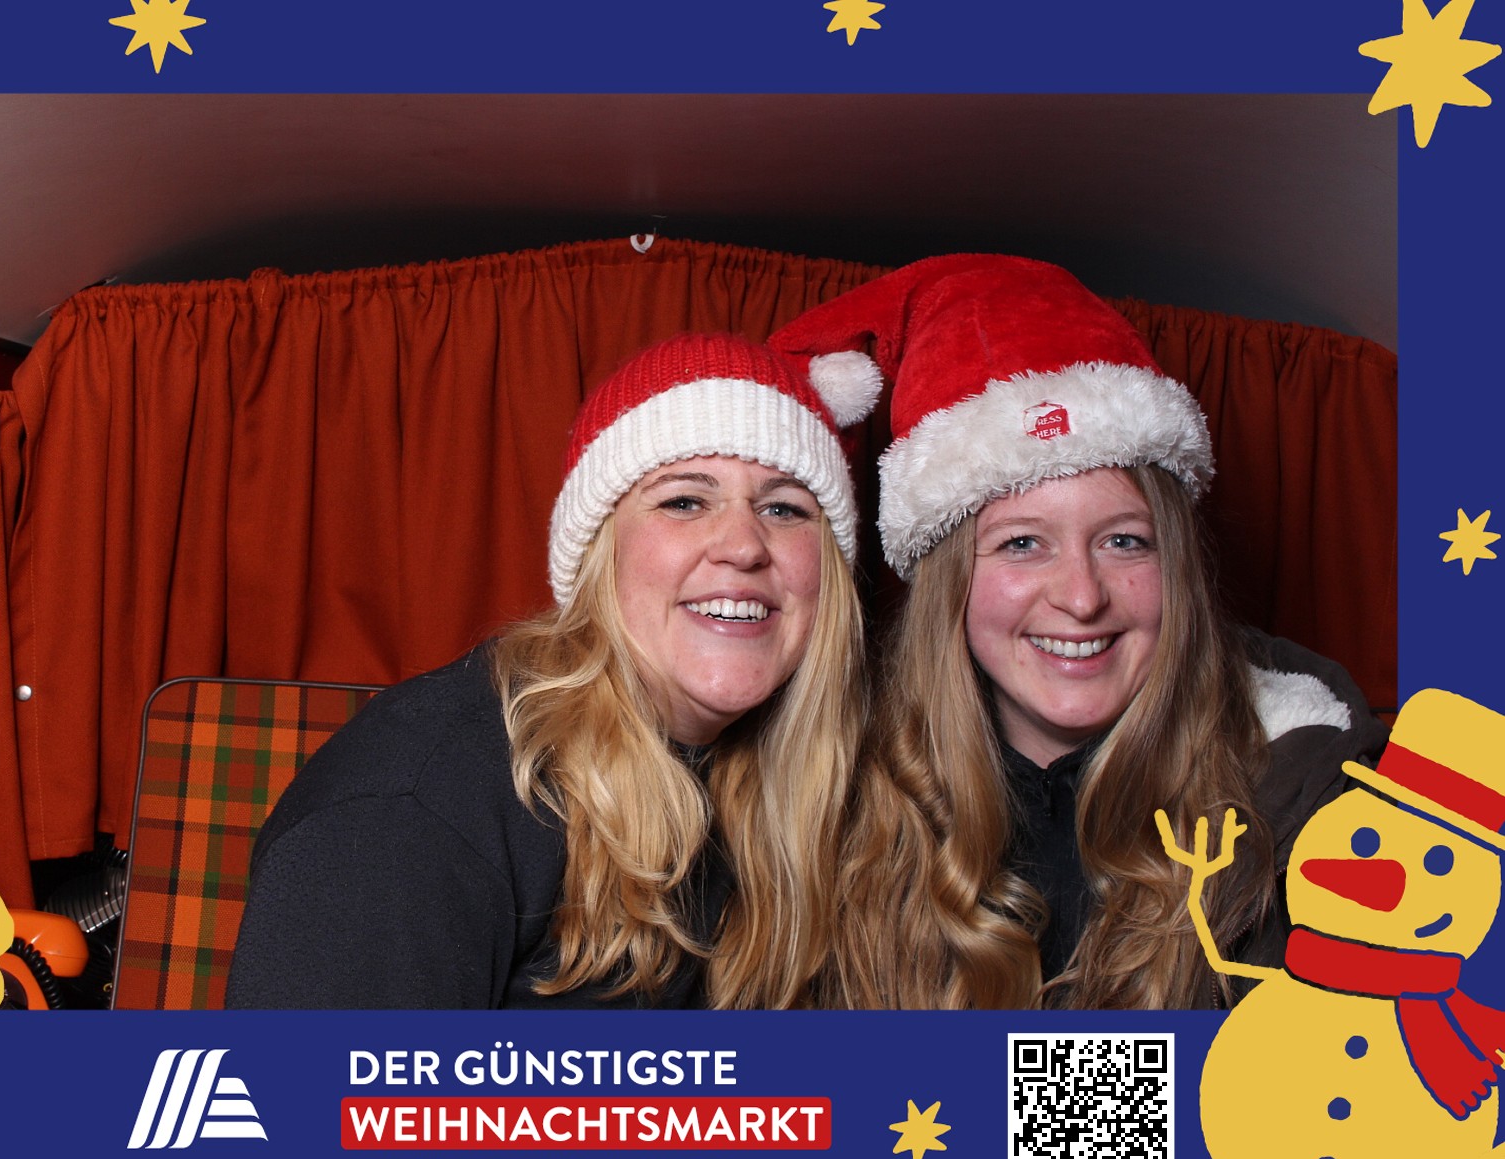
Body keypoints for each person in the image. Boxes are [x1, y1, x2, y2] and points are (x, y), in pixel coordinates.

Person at [769, 254, 1388, 1009]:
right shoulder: (829, 799)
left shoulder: (1317, 806)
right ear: (948, 585)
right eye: (1023, 543)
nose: (1082, 597)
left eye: (1124, 541)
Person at [225, 331, 878, 1009]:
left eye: (784, 508)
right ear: (598, 553)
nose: (744, 545)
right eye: (684, 501)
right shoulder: (413, 807)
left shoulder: (804, 790)